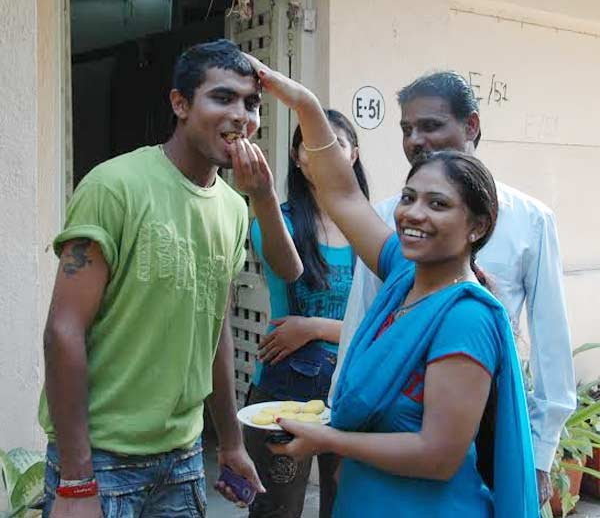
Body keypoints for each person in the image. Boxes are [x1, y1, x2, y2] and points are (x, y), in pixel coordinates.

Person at [244, 54, 538, 517]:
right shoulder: (403, 272)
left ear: (477, 227)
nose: (413, 214)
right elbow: (342, 193)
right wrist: (303, 104)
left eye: (438, 204)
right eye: (408, 197)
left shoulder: (465, 316)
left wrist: (331, 440)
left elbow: (438, 456)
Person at [38, 39, 304, 517]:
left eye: (251, 103)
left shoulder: (233, 207)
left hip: (182, 456)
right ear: (179, 104)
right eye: (222, 97)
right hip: (101, 457)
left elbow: (216, 329)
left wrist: (230, 443)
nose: (241, 115)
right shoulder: (114, 186)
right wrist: (77, 480)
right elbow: (63, 330)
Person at [328, 71, 576, 505]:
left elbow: (552, 345)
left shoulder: (530, 221)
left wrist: (538, 455)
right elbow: (361, 327)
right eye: (406, 128)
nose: (416, 140)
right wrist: (339, 422)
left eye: (430, 125)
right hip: (381, 431)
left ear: (471, 126)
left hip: (478, 430)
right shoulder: (392, 219)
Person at [244, 109, 369, 518]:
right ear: (297, 157)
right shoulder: (276, 222)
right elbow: (286, 270)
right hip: (283, 392)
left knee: (346, 506)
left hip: (351, 389)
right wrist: (337, 330)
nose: (321, 152)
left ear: (353, 155)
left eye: (335, 143)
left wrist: (314, 327)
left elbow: (381, 323)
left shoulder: (372, 229)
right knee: (276, 510)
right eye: (309, 145)